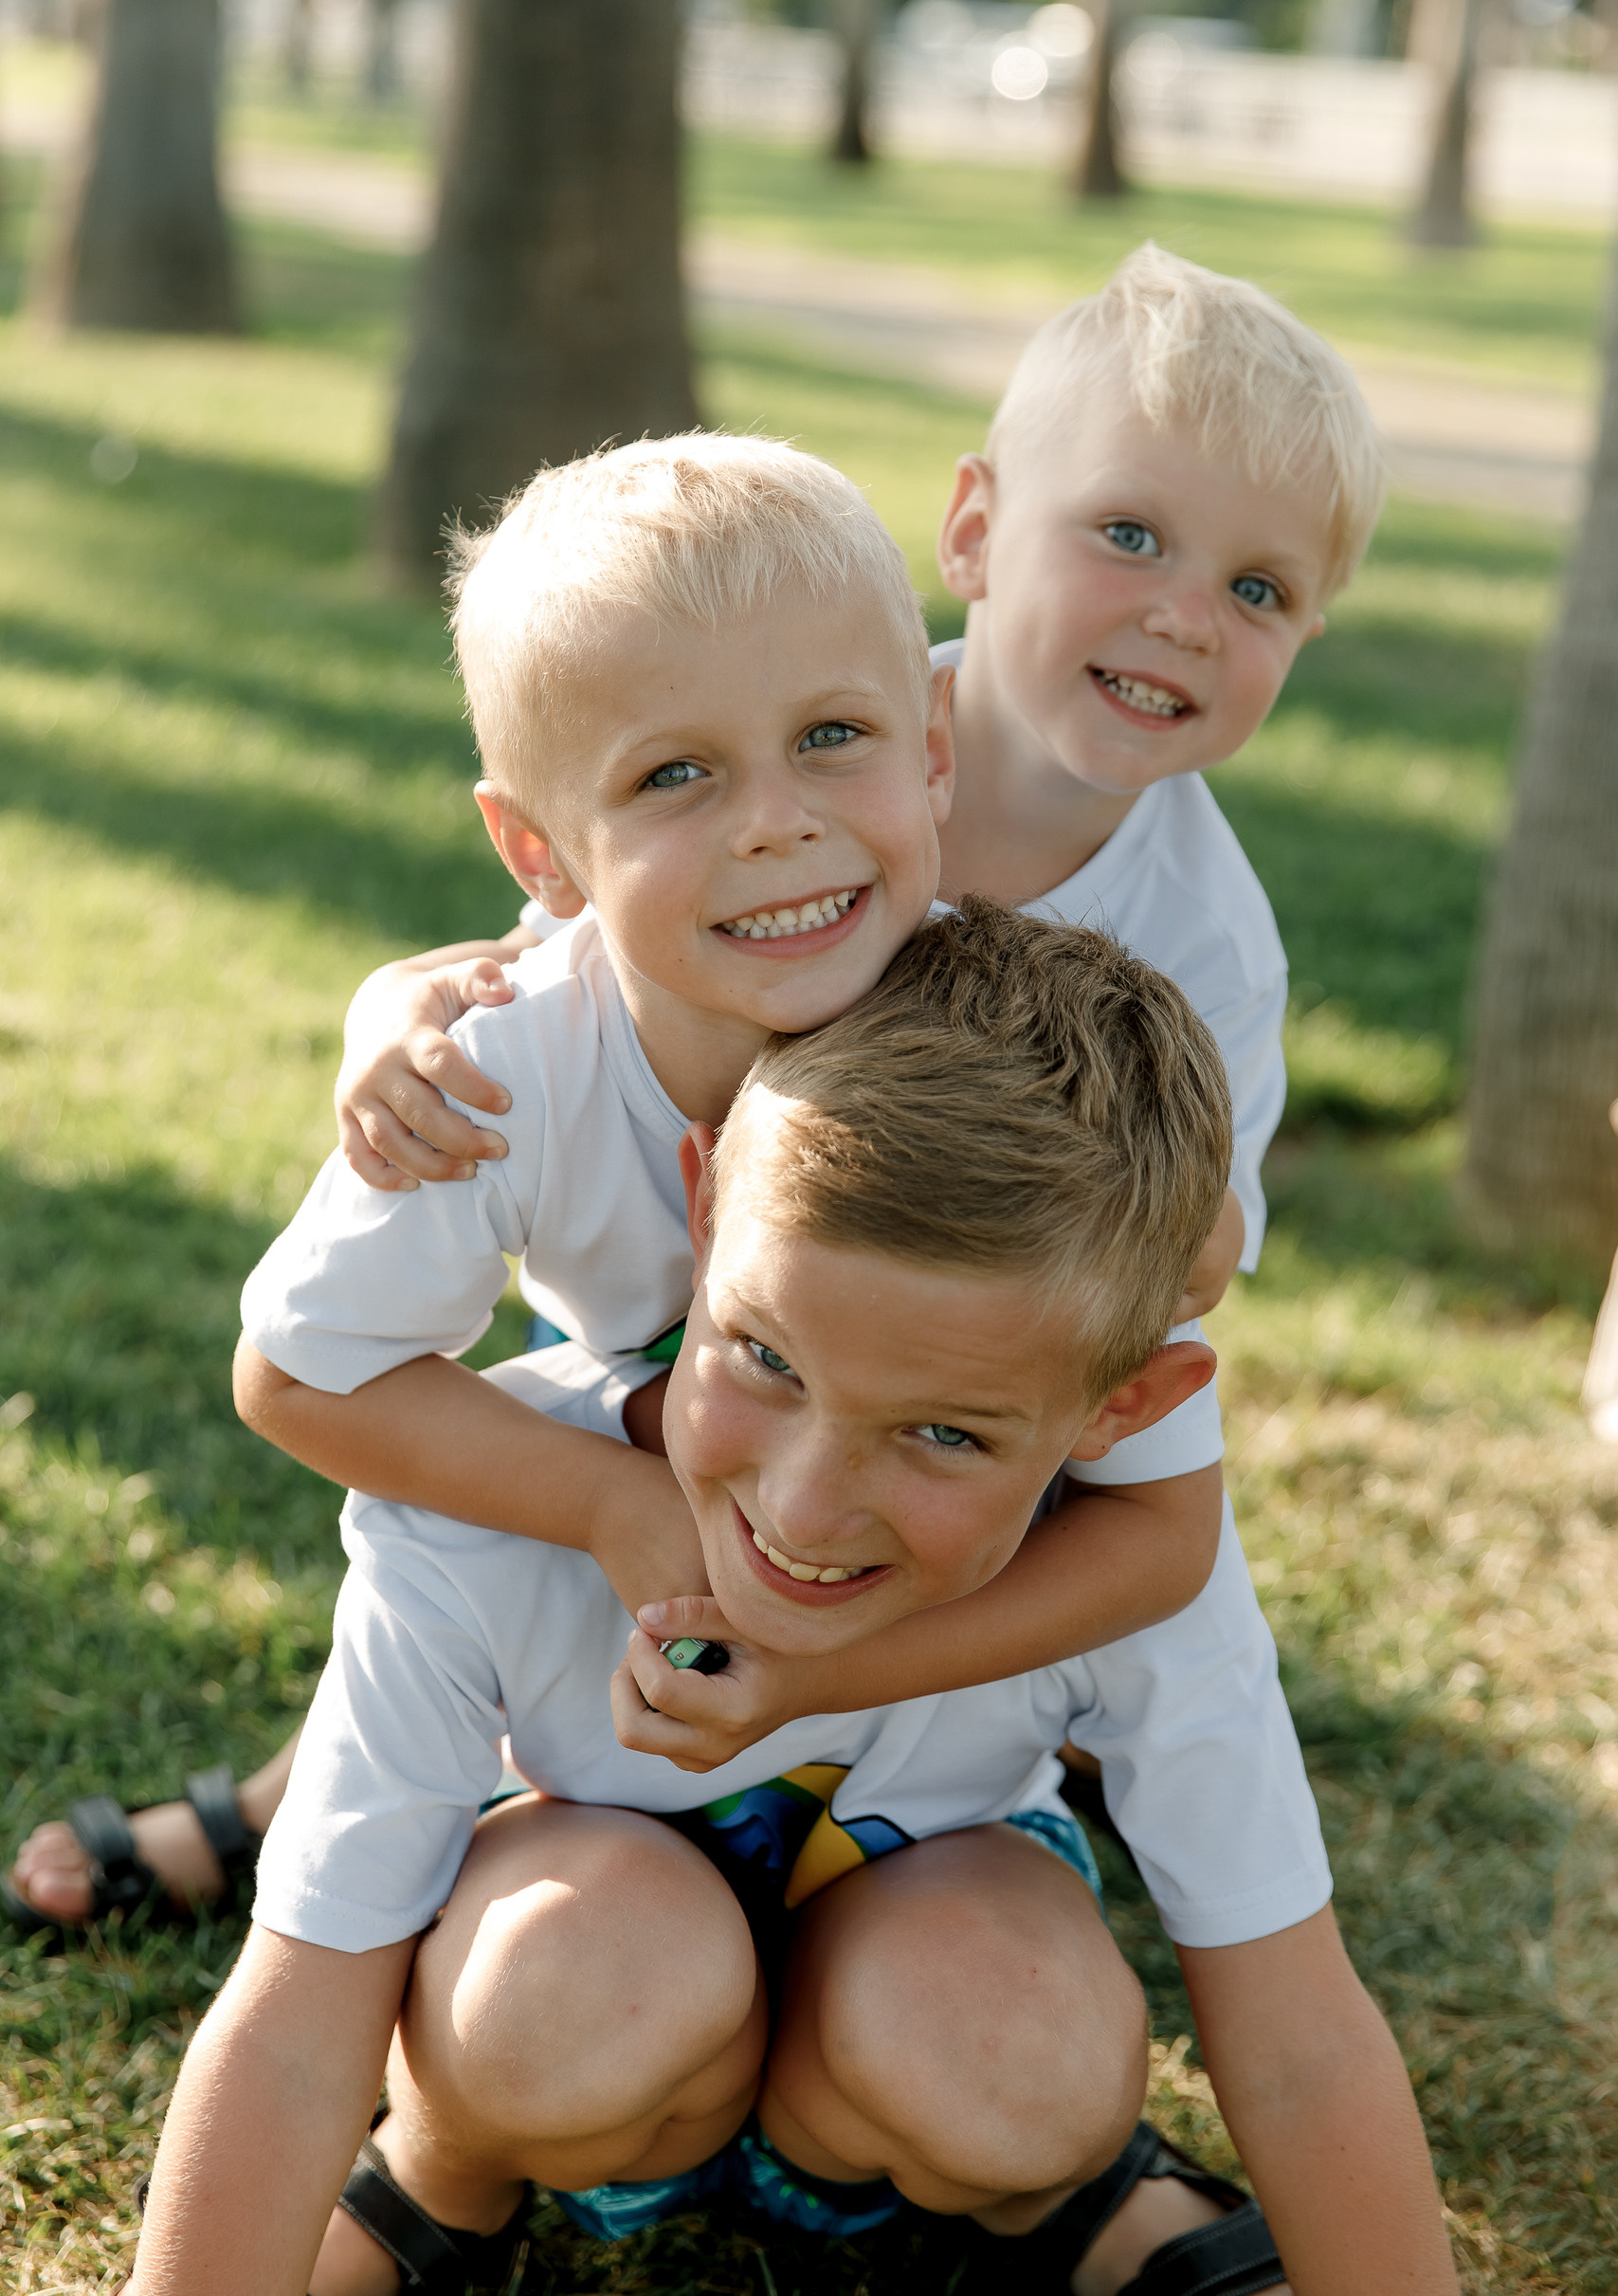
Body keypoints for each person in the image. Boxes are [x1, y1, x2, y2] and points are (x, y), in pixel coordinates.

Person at [9, 244, 1384, 1912]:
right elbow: (565, 931)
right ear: (973, 530)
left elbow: (1181, 1268)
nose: (1183, 610)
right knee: (505, 1542)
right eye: (1129, 534)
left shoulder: (1206, 940)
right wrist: (393, 1012)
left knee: (1024, 1545)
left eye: (1260, 591)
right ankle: (293, 1811)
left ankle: (983, 1755)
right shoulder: (822, 720)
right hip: (658, 1319)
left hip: (932, 1384)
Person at [127, 907, 1457, 2296]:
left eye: (946, 1434)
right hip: (596, 1973)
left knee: (1033, 2065)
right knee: (545, 1997)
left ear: (1125, 1406)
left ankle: (1045, 2187)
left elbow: (1301, 2035)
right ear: (705, 1213)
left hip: (908, 1980)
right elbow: (294, 2019)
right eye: (764, 1357)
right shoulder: (485, 1505)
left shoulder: (1119, 1572)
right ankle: (448, 2163)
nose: (806, 1511)